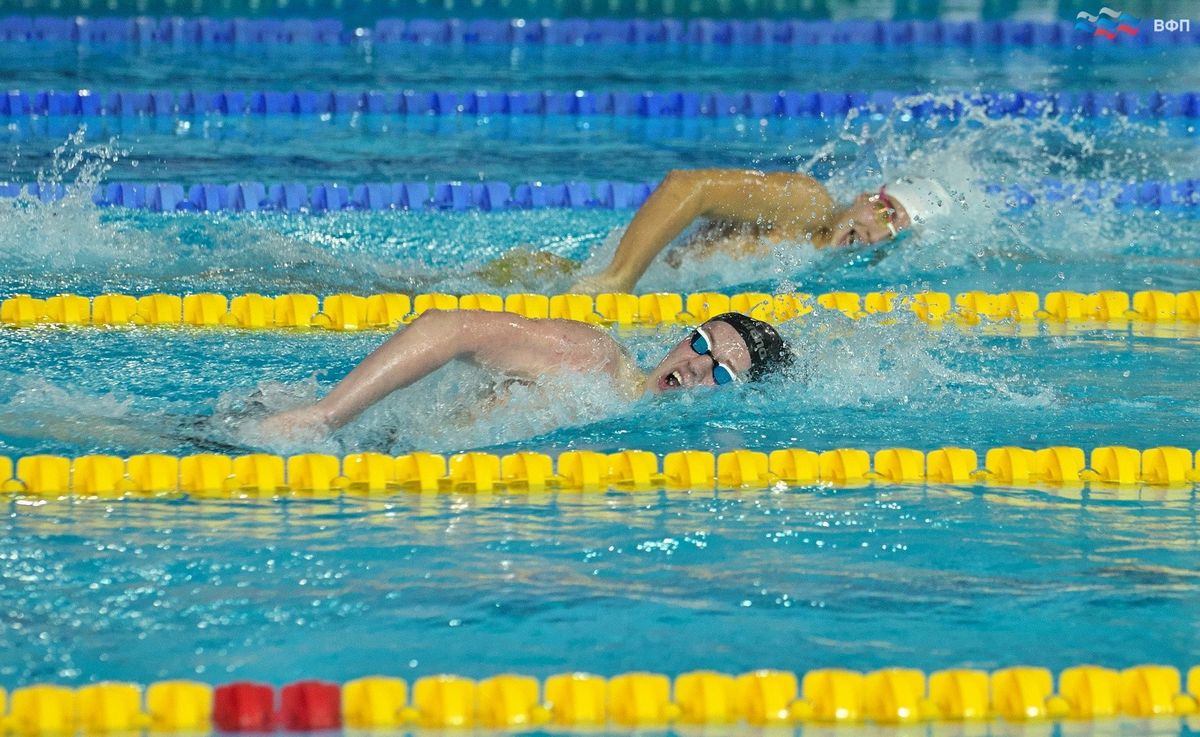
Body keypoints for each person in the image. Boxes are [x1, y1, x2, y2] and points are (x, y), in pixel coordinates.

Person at [259, 309, 793, 437]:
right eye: (700, 343)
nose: (695, 366)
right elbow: (448, 328)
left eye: (721, 373)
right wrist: (324, 415)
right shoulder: (594, 362)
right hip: (354, 448)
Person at [479, 170, 954, 293]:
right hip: (573, 281)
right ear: (868, 196)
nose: (880, 233)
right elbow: (689, 186)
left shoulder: (827, 268)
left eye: (897, 231)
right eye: (887, 212)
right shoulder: (807, 203)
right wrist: (618, 278)